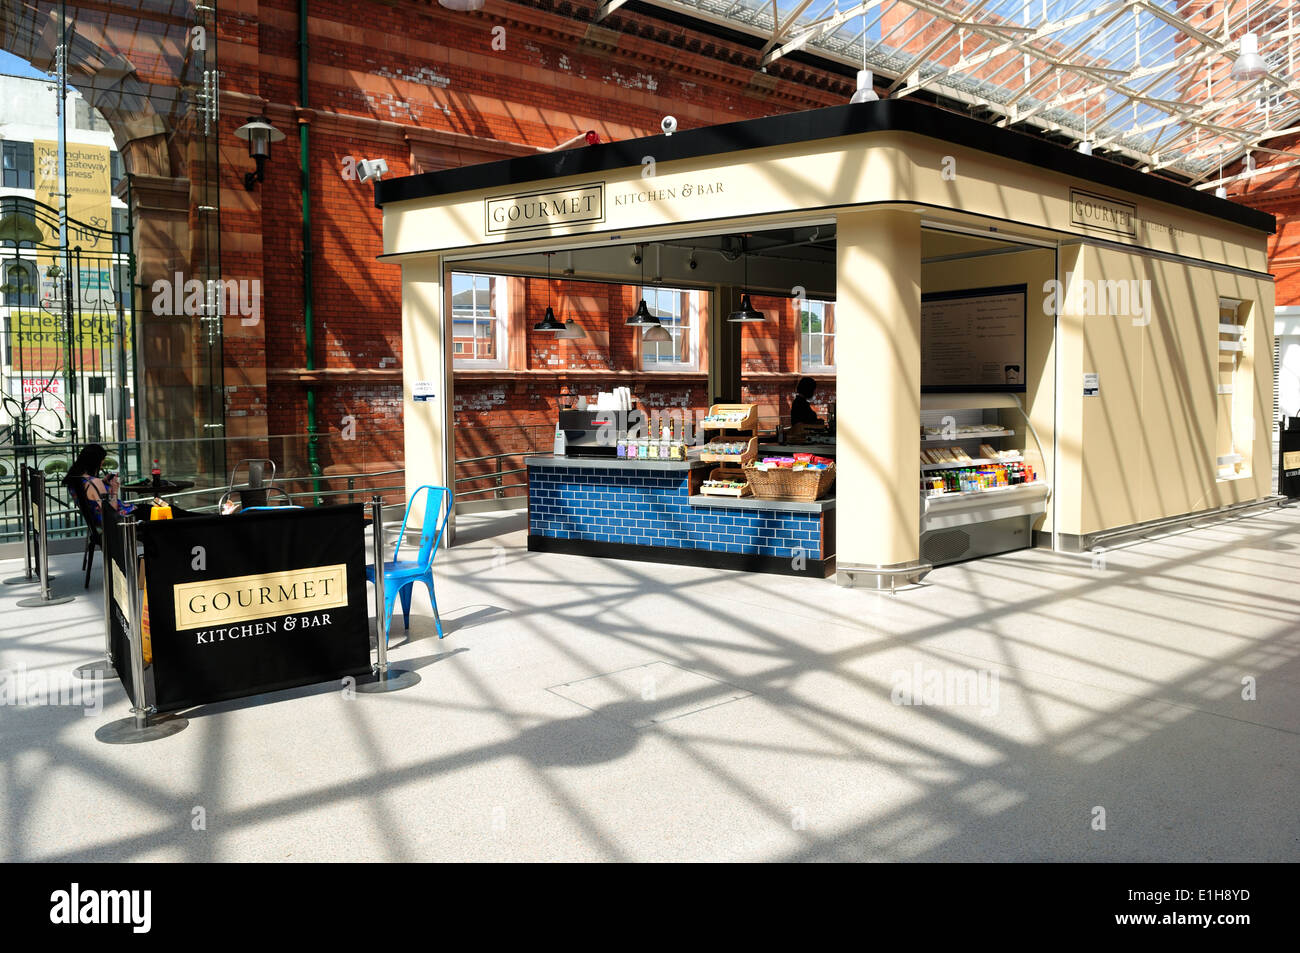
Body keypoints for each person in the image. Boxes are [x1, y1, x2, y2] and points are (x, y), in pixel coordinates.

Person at [65, 444, 180, 524]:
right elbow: (111, 511)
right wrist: (114, 490)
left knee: (163, 506)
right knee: (168, 509)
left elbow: (96, 502)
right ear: (94, 462)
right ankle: (197, 521)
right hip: (129, 516)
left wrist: (105, 484)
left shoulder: (75, 481)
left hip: (125, 513)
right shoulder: (95, 482)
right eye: (101, 463)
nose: (101, 465)